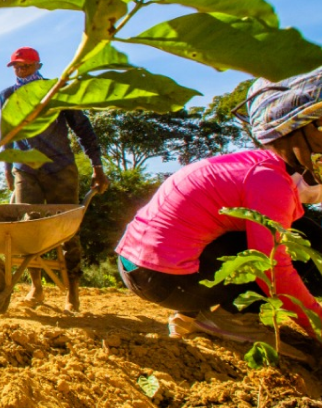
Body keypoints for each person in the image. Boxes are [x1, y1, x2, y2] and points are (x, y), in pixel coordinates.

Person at [115, 68, 322, 338]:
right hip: (161, 281)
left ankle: (192, 315)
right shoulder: (272, 183)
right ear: (293, 129)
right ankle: (232, 318)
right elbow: (273, 269)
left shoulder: (256, 167)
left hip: (140, 268)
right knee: (299, 242)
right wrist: (316, 325)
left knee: (294, 228)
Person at [0, 46, 109, 312]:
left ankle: (72, 291)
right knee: (28, 228)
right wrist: (7, 168)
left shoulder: (57, 91)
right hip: (26, 169)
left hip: (60, 168)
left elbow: (83, 129)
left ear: (38, 66)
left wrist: (97, 166)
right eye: (16, 66)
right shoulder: (7, 96)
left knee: (68, 229)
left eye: (25, 65)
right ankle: (36, 287)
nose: (21, 70)